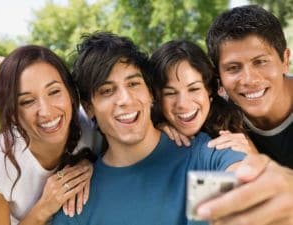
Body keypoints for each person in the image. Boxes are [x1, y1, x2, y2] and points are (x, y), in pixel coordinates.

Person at [52, 31, 246, 225]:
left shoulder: (206, 155)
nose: (125, 100)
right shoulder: (77, 204)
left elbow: (247, 184)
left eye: (133, 84)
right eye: (107, 91)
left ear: (151, 93)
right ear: (89, 108)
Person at [192, 5, 293, 224]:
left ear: (285, 59)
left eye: (260, 62)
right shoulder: (218, 116)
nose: (249, 79)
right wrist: (165, 127)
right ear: (218, 76)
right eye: (233, 68)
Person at [0, 45, 95, 225]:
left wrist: (89, 162)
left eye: (54, 91)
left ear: (71, 93)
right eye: (27, 101)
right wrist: (45, 207)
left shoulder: (89, 124)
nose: (46, 112)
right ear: (12, 114)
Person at [149, 39, 257, 154]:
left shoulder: (231, 125)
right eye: (170, 93)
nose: (183, 104)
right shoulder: (151, 129)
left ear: (209, 88)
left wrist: (250, 157)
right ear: (156, 97)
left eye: (194, 89)